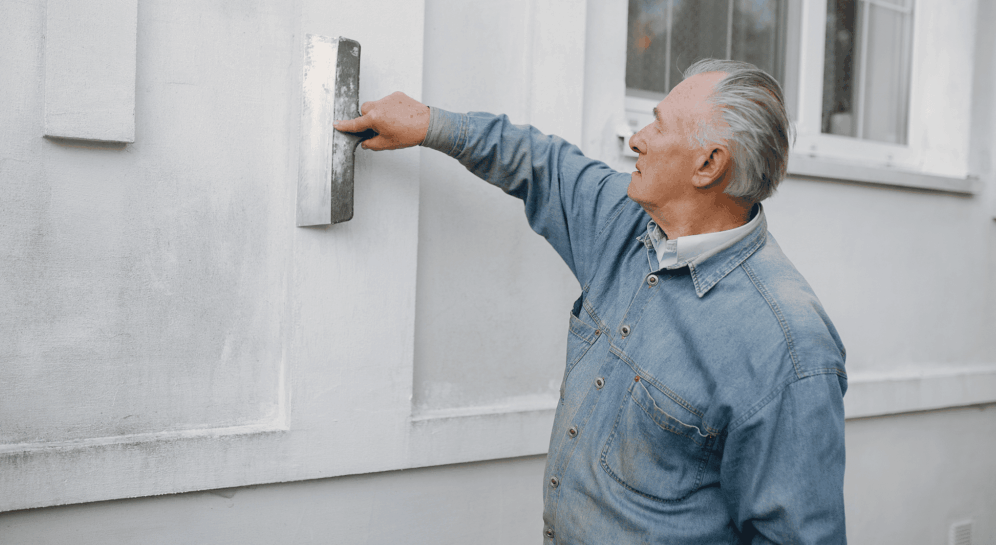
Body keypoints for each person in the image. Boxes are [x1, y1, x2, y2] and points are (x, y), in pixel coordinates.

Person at [335, 59, 847, 544]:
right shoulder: (627, 226)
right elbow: (541, 163)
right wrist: (429, 124)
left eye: (658, 126)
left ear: (709, 164)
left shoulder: (788, 349)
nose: (637, 139)